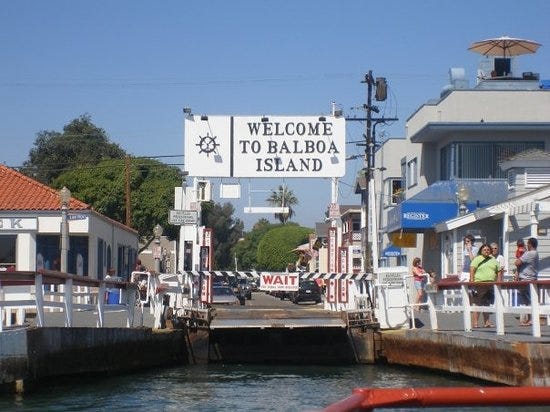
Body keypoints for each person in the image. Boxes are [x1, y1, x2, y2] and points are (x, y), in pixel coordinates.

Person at [469, 243, 500, 328]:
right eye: (484, 250)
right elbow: (472, 268)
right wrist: (472, 280)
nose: (486, 251)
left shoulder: (493, 260)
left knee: (486, 304)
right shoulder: (478, 259)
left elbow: (499, 270)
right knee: (478, 303)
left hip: (490, 284)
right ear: (481, 251)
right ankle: (475, 323)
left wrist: (499, 281)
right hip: (480, 283)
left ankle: (487, 322)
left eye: (488, 250)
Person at [514, 237, 539, 326]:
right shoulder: (534, 253)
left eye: (527, 244)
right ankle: (529, 319)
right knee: (527, 300)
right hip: (530, 278)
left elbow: (517, 262)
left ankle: (532, 319)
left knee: (528, 300)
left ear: (530, 244)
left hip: (527, 280)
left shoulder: (530, 253)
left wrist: (521, 255)